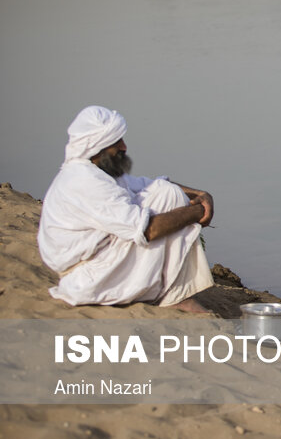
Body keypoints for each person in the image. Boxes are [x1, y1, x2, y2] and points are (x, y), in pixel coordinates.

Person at [38, 105, 215, 312]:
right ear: (98, 147)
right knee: (168, 199)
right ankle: (175, 295)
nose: (124, 147)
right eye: (116, 142)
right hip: (89, 279)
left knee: (166, 191)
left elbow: (146, 184)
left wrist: (201, 195)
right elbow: (148, 230)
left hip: (98, 265)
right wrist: (197, 212)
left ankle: (173, 292)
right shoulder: (85, 181)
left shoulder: (96, 172)